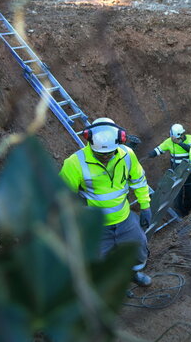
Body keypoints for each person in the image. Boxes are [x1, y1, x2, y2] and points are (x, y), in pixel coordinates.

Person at [59, 118, 153, 287]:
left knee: (138, 250)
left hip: (124, 219)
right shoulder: (74, 163)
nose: (105, 157)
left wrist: (145, 206)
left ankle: (132, 274)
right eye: (100, 154)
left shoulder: (127, 155)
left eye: (109, 153)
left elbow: (138, 180)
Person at [146, 123, 191, 215]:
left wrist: (179, 143)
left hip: (188, 170)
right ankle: (179, 210)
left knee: (189, 189)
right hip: (177, 171)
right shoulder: (169, 142)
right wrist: (151, 154)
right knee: (177, 191)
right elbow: (159, 149)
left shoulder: (190, 138)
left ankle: (187, 210)